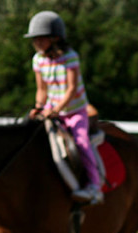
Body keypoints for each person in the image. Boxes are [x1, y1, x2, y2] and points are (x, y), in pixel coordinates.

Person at [25, 11, 102, 205]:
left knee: (82, 142)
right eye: (35, 39)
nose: (37, 43)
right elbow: (42, 89)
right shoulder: (38, 59)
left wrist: (57, 109)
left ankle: (95, 186)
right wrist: (38, 107)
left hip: (75, 111)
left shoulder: (70, 57)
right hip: (53, 110)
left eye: (41, 39)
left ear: (55, 38)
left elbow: (71, 88)